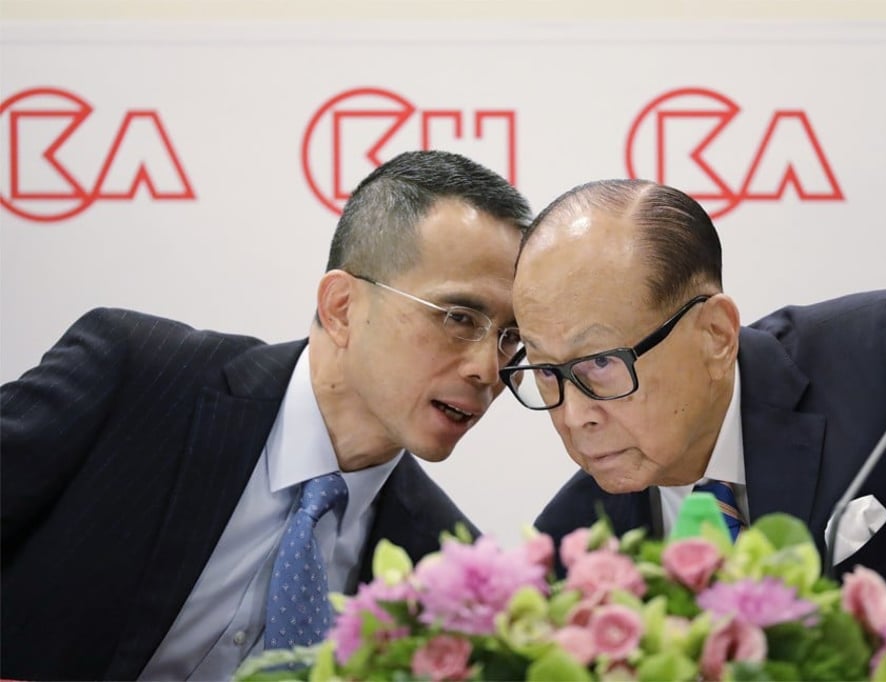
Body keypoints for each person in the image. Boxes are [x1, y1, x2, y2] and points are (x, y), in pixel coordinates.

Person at [1, 150, 532, 681]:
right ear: (342, 307)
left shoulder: (444, 568)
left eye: (512, 339)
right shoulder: (138, 381)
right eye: (459, 318)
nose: (490, 369)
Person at [500, 178, 886, 674]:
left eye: (601, 362)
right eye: (547, 372)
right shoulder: (573, 552)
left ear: (716, 335)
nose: (573, 415)